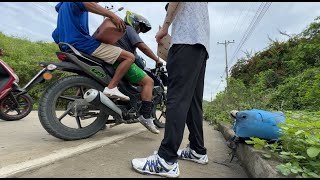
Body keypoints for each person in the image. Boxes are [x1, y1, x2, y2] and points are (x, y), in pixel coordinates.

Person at [131, 2, 210, 178]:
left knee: (177, 99)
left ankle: (166, 160)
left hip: (185, 41)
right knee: (192, 103)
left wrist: (164, 28)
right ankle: (197, 150)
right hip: (201, 45)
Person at [52, 2, 133, 101]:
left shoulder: (63, 8)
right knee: (129, 57)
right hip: (82, 44)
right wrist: (112, 15)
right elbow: (89, 4)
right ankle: (112, 87)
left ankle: (81, 95)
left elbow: (55, 35)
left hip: (67, 47)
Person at [111, 11, 163, 134]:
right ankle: (145, 116)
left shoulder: (120, 32)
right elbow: (142, 47)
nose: (139, 32)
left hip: (112, 59)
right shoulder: (128, 29)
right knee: (148, 82)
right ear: (134, 23)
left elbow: (136, 56)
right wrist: (157, 59)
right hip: (121, 61)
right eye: (139, 28)